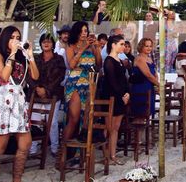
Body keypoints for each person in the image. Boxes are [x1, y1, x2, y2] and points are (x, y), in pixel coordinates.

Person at [0, 26, 40, 182]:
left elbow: (36, 77)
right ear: (5, 39)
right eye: (12, 37)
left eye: (18, 37)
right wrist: (12, 54)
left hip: (19, 100)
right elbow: (3, 75)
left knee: (25, 143)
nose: (16, 40)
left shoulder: (21, 56)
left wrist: (30, 57)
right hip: (4, 99)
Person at [62, 21, 102, 154]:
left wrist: (96, 48)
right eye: (82, 31)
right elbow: (71, 65)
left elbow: (98, 64)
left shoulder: (91, 46)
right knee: (74, 117)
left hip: (89, 82)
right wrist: (83, 48)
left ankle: (79, 153)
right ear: (77, 32)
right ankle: (62, 152)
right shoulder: (70, 46)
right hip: (75, 81)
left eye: (86, 31)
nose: (84, 33)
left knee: (85, 118)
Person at [29, 33, 66, 156]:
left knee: (53, 123)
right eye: (43, 41)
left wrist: (46, 90)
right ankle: (33, 149)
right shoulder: (35, 58)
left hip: (53, 95)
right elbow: (30, 76)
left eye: (49, 41)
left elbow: (59, 77)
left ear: (53, 44)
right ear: (40, 43)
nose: (46, 43)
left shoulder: (58, 59)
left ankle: (54, 148)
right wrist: (38, 89)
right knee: (34, 122)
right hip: (36, 95)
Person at [102, 35, 130, 164]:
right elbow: (112, 82)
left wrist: (127, 93)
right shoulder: (109, 61)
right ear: (113, 45)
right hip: (111, 97)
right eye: (121, 44)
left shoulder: (119, 60)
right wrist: (121, 95)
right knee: (109, 127)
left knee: (116, 127)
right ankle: (107, 154)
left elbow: (124, 79)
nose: (123, 46)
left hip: (121, 96)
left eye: (124, 44)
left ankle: (112, 155)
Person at [130, 37, 159, 117]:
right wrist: (159, 84)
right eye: (146, 46)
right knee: (141, 113)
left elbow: (154, 73)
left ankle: (145, 129)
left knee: (148, 112)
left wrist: (156, 82)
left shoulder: (149, 58)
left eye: (150, 46)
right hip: (141, 87)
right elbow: (148, 75)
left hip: (150, 86)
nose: (149, 48)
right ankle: (139, 129)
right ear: (141, 46)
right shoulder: (140, 59)